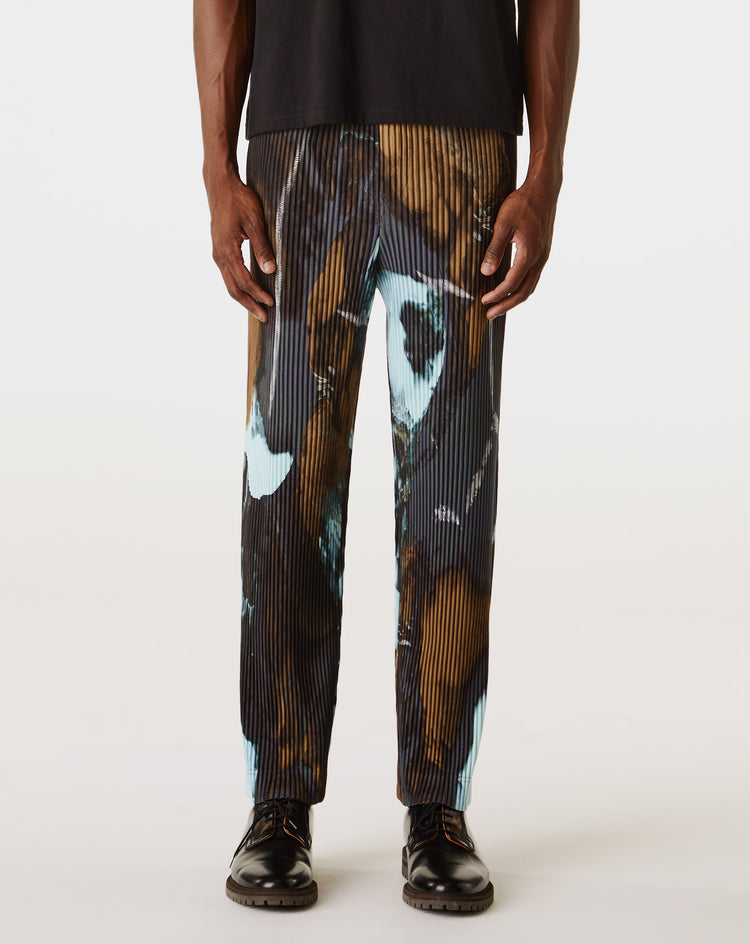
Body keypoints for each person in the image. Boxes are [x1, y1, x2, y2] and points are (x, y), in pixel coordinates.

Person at [193, 0, 579, 913]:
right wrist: (216, 165)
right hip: (299, 131)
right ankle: (278, 801)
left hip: (460, 133)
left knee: (452, 492)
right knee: (286, 484)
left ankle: (439, 805)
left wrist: (546, 174)